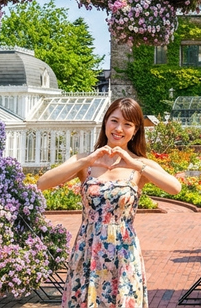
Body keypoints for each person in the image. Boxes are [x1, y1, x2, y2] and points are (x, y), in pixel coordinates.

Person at [37, 97, 181, 308]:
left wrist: (135, 164)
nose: (119, 129)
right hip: (88, 250)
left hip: (123, 253)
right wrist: (86, 160)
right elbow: (43, 182)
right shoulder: (85, 160)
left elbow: (175, 187)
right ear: (105, 122)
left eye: (127, 124)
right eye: (114, 121)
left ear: (136, 129)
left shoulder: (140, 165)